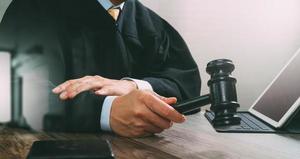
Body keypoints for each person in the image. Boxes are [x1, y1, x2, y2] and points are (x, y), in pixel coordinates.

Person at [0, 0, 201, 137]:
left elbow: (186, 83)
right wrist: (105, 111)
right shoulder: (35, 7)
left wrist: (132, 86)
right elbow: (8, 92)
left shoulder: (149, 23)